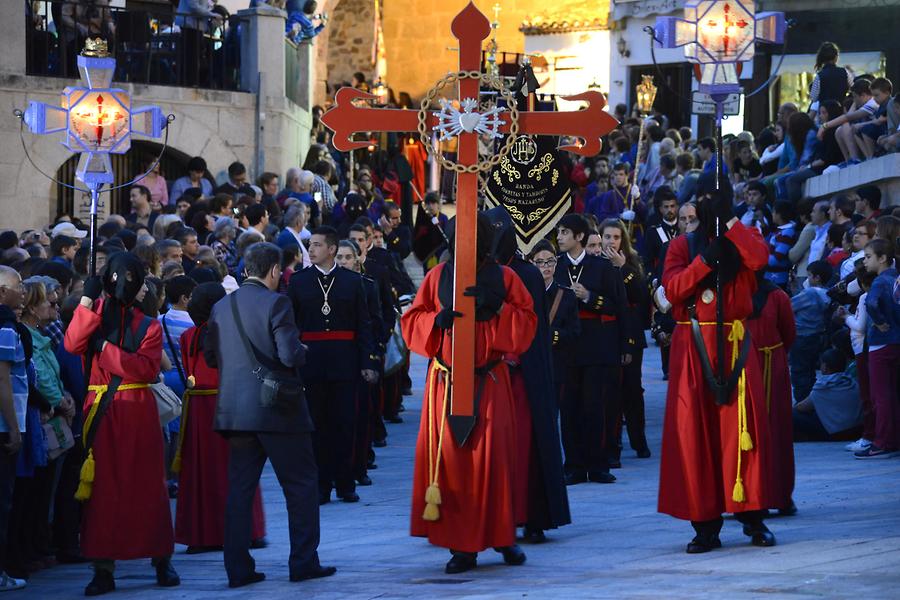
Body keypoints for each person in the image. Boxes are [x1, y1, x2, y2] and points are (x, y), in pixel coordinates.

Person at [402, 213, 536, 574]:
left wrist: (497, 311)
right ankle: (463, 548)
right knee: (454, 465)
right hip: (445, 384)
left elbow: (527, 323)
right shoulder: (436, 277)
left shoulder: (505, 278)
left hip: (489, 382)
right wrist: (436, 321)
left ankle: (503, 535)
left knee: (493, 462)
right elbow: (412, 321)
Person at [206, 242, 335, 587]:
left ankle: (238, 568)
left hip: (235, 411)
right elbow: (289, 355)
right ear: (275, 271)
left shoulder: (221, 306)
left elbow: (209, 356)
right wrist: (303, 350)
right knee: (301, 485)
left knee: (240, 491)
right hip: (278, 410)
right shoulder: (277, 302)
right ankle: (303, 561)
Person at [658, 177, 776, 553]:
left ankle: (752, 515)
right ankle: (704, 525)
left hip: (734, 340)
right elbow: (673, 290)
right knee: (695, 430)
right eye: (704, 199)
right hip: (693, 341)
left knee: (744, 428)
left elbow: (759, 259)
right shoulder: (681, 245)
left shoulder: (744, 236)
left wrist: (730, 226)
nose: (709, 205)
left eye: (716, 199)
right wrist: (705, 261)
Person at [63, 253, 179, 596]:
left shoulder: (149, 325)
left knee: (148, 487)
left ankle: (161, 558)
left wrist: (104, 348)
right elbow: (71, 344)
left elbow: (145, 370)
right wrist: (87, 300)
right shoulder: (94, 316)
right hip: (103, 410)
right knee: (103, 492)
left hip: (137, 411)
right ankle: (102, 567)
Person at [485, 208, 570, 544]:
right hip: (487, 371)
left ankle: (532, 515)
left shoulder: (528, 274)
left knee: (526, 445)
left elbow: (530, 325)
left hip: (520, 375)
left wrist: (511, 354)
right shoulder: (475, 272)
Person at [174, 282, 266, 553]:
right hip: (227, 403)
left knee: (200, 474)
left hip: (198, 409)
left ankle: (202, 535)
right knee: (237, 469)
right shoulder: (230, 332)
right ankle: (248, 531)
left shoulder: (188, 336)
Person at [287, 227, 377, 504]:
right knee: (317, 425)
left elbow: (364, 325)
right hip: (312, 363)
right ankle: (321, 485)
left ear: (332, 249)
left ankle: (345, 483)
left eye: (316, 245)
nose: (311, 249)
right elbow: (292, 325)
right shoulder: (299, 282)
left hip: (345, 362)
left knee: (344, 424)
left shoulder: (352, 281)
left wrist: (367, 361)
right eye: (310, 244)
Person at [554, 213, 627, 485]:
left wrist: (589, 297)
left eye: (564, 232)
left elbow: (616, 305)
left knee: (595, 406)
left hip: (596, 345)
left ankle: (597, 464)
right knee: (569, 407)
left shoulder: (602, 267)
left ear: (579, 237)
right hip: (566, 347)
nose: (559, 237)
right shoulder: (556, 265)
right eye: (559, 232)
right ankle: (573, 464)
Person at [599, 219, 651, 461]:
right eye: (607, 237)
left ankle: (639, 441)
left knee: (632, 390)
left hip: (631, 333)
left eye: (616, 237)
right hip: (607, 334)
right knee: (611, 393)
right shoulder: (596, 263)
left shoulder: (630, 263)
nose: (611, 241)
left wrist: (624, 270)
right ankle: (613, 443)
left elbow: (641, 296)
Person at [746, 273, 797, 515]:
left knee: (777, 430)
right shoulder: (732, 293)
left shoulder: (777, 295)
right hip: (747, 367)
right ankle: (754, 497)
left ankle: (779, 495)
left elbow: (788, 334)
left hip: (768, 366)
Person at [855, 239, 900, 458]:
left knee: (881, 396)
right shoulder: (896, 279)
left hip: (880, 344)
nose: (865, 262)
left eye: (868, 257)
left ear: (882, 258)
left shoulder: (880, 281)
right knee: (893, 394)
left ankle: (883, 441)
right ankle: (893, 438)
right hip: (896, 341)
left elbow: (871, 303)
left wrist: (879, 321)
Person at [0, 267, 27, 592]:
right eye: (18, 286)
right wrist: (14, 427)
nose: (23, 291)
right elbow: (2, 378)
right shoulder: (6, 328)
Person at [793, 349, 862, 441]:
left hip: (836, 433)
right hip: (855, 430)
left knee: (792, 414)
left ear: (825, 367)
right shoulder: (852, 382)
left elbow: (801, 407)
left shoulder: (823, 386)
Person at [789, 260, 833, 403]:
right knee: (810, 373)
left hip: (802, 337)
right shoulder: (827, 293)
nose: (807, 279)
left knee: (799, 372)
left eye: (809, 276)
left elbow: (790, 305)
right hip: (817, 336)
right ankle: (812, 401)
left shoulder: (810, 293)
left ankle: (802, 403)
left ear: (817, 278)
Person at [412, 192, 449, 274]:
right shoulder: (424, 219)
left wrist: (438, 224)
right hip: (428, 252)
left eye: (433, 203)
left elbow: (447, 235)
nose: (431, 206)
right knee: (428, 274)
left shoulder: (443, 218)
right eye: (428, 204)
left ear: (438, 204)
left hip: (440, 252)